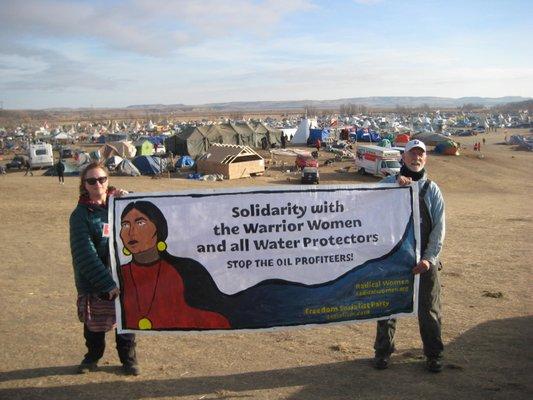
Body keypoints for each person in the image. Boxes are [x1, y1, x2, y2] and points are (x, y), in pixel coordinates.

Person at [373, 139, 445, 373]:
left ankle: (434, 355)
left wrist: (429, 259)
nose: (416, 158)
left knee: (429, 310)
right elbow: (367, 203)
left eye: (420, 154)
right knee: (387, 307)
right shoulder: (388, 183)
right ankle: (383, 352)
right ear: (403, 158)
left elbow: (439, 228)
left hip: (424, 261)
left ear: (425, 158)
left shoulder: (431, 189)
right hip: (394, 260)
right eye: (412, 154)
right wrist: (395, 184)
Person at [69, 162, 140, 376]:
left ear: (108, 181)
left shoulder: (118, 204)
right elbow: (84, 254)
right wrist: (106, 283)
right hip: (95, 279)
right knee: (95, 324)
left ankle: (128, 360)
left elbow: (144, 211)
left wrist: (128, 196)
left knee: (125, 322)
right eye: (91, 180)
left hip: (124, 275)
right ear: (84, 185)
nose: (97, 184)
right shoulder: (81, 216)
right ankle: (92, 357)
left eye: (102, 179)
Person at [118, 201, 231, 330]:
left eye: (141, 223)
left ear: (158, 228)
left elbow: (218, 316)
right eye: (125, 225)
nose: (131, 232)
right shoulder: (119, 274)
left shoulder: (184, 271)